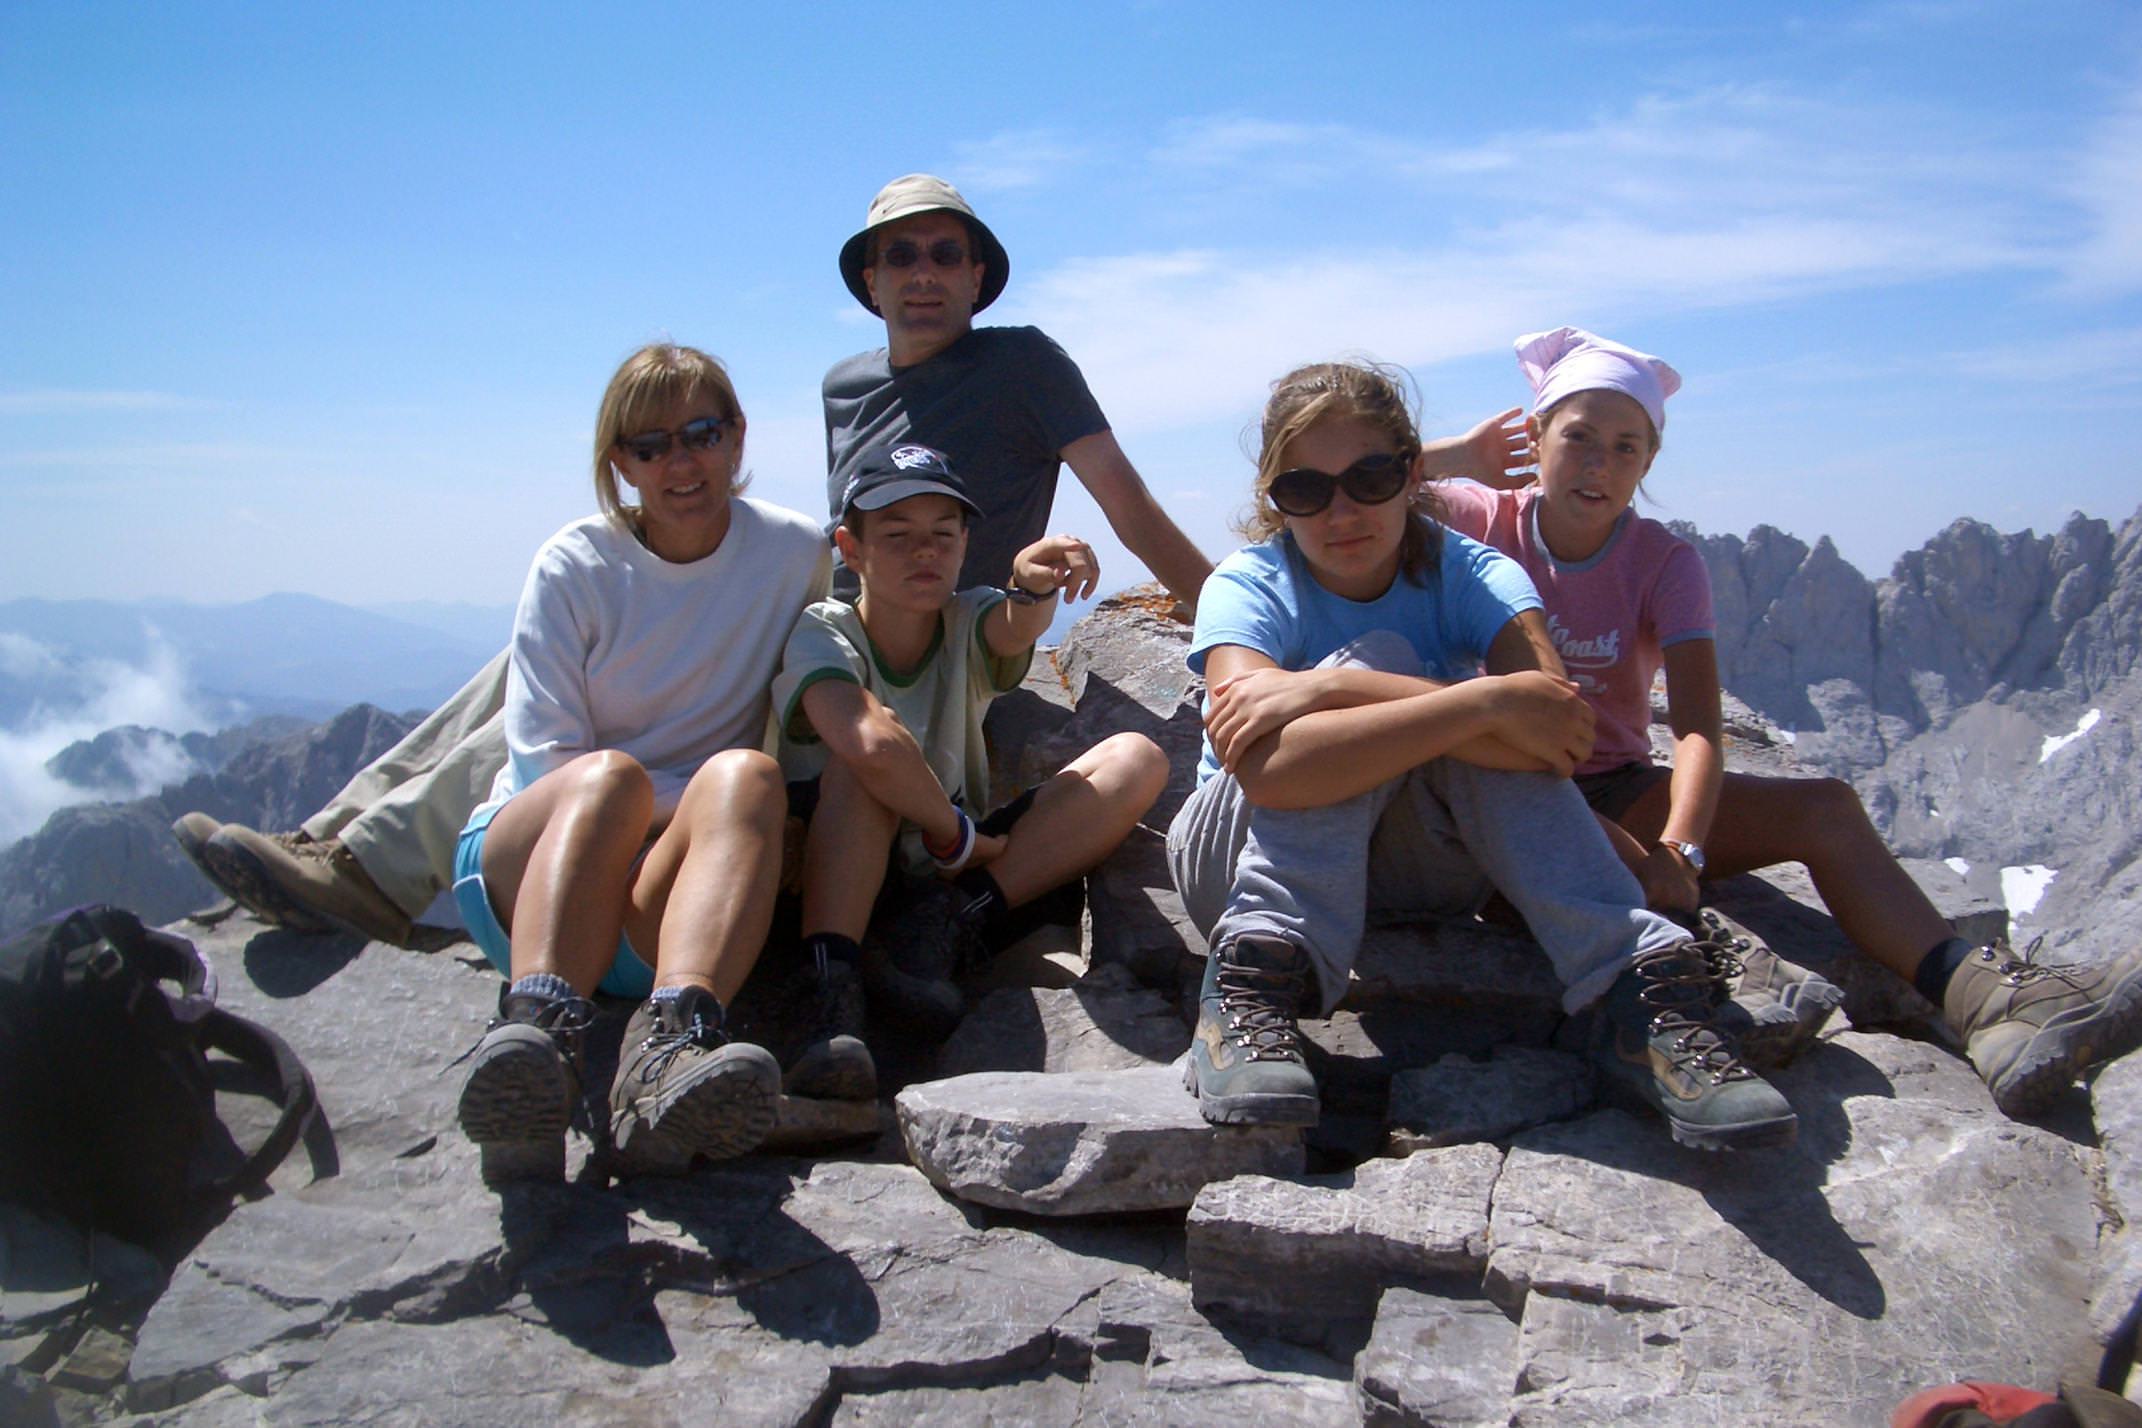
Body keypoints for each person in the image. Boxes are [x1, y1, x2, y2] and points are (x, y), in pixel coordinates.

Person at [177, 173, 1215, 948]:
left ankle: (364, 875)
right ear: (869, 280)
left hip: (933, 625)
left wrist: (1240, 629)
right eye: (900, 256)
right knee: (543, 650)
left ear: (980, 275)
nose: (925, 273)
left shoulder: (1025, 362)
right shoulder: (847, 383)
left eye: (948, 254)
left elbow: (1128, 506)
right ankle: (341, 842)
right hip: (834, 600)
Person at [1433, 326, 2142, 1118]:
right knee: (1600, 840)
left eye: (1627, 447)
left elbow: (1698, 726)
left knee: (1827, 809)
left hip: (1618, 790)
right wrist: (1459, 455)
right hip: (1505, 796)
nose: (1600, 464)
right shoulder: (1477, 516)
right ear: (1534, 436)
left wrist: (1682, 848)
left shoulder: (1663, 561)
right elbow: (1320, 484)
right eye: (1579, 438)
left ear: (1650, 462)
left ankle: (1981, 1000)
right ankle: (1697, 988)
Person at [1168, 360, 1798, 1152]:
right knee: (1406, 677)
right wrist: (1474, 701)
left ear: (1410, 474)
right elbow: (1269, 771)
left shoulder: (1471, 572)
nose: (1341, 511)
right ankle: (1249, 990)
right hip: (1238, 863)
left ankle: (1642, 1000)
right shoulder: (1249, 584)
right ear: (1274, 499)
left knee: (1463, 726)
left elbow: (1561, 738)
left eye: (1368, 478)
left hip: (1410, 869)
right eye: (1305, 490)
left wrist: (1353, 697)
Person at [450, 343, 830, 1184]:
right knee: (607, 778)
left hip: (666, 903)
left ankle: (670, 1045)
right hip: (532, 882)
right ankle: (540, 1031)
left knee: (749, 777)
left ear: (737, 437)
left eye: (699, 432)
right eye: (649, 445)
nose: (679, 461)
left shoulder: (794, 554)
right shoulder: (574, 566)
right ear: (620, 463)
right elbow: (545, 759)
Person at [773, 444, 1168, 1040]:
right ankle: (832, 985)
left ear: (964, 546)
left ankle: (948, 930)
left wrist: (1032, 587)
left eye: (943, 533)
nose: (925, 550)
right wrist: (957, 837)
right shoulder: (825, 630)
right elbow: (870, 745)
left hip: (946, 880)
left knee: (1135, 759)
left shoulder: (967, 617)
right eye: (897, 534)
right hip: (843, 869)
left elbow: (1010, 627)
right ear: (850, 550)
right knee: (864, 768)